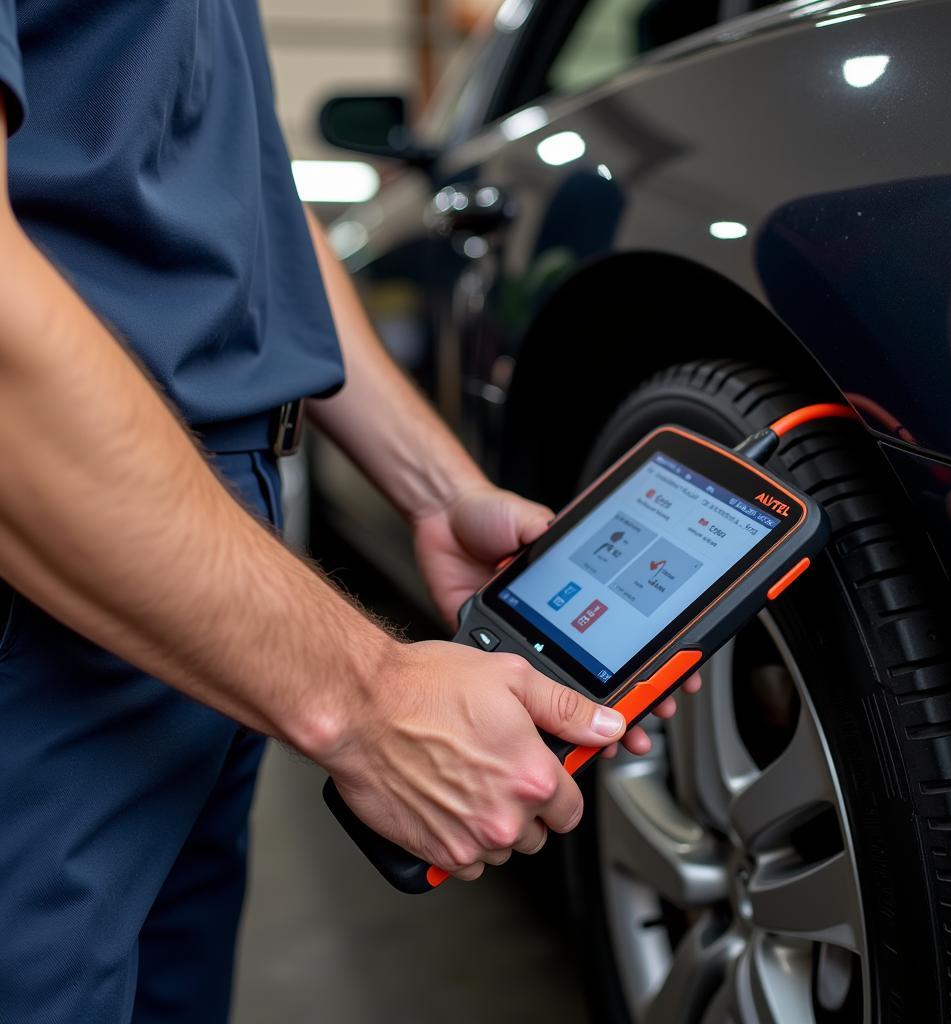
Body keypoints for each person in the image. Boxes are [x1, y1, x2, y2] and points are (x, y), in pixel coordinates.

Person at [0, 2, 697, 1021]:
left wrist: (435, 486)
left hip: (210, 545)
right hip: (73, 524)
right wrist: (364, 696)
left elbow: (251, 208)